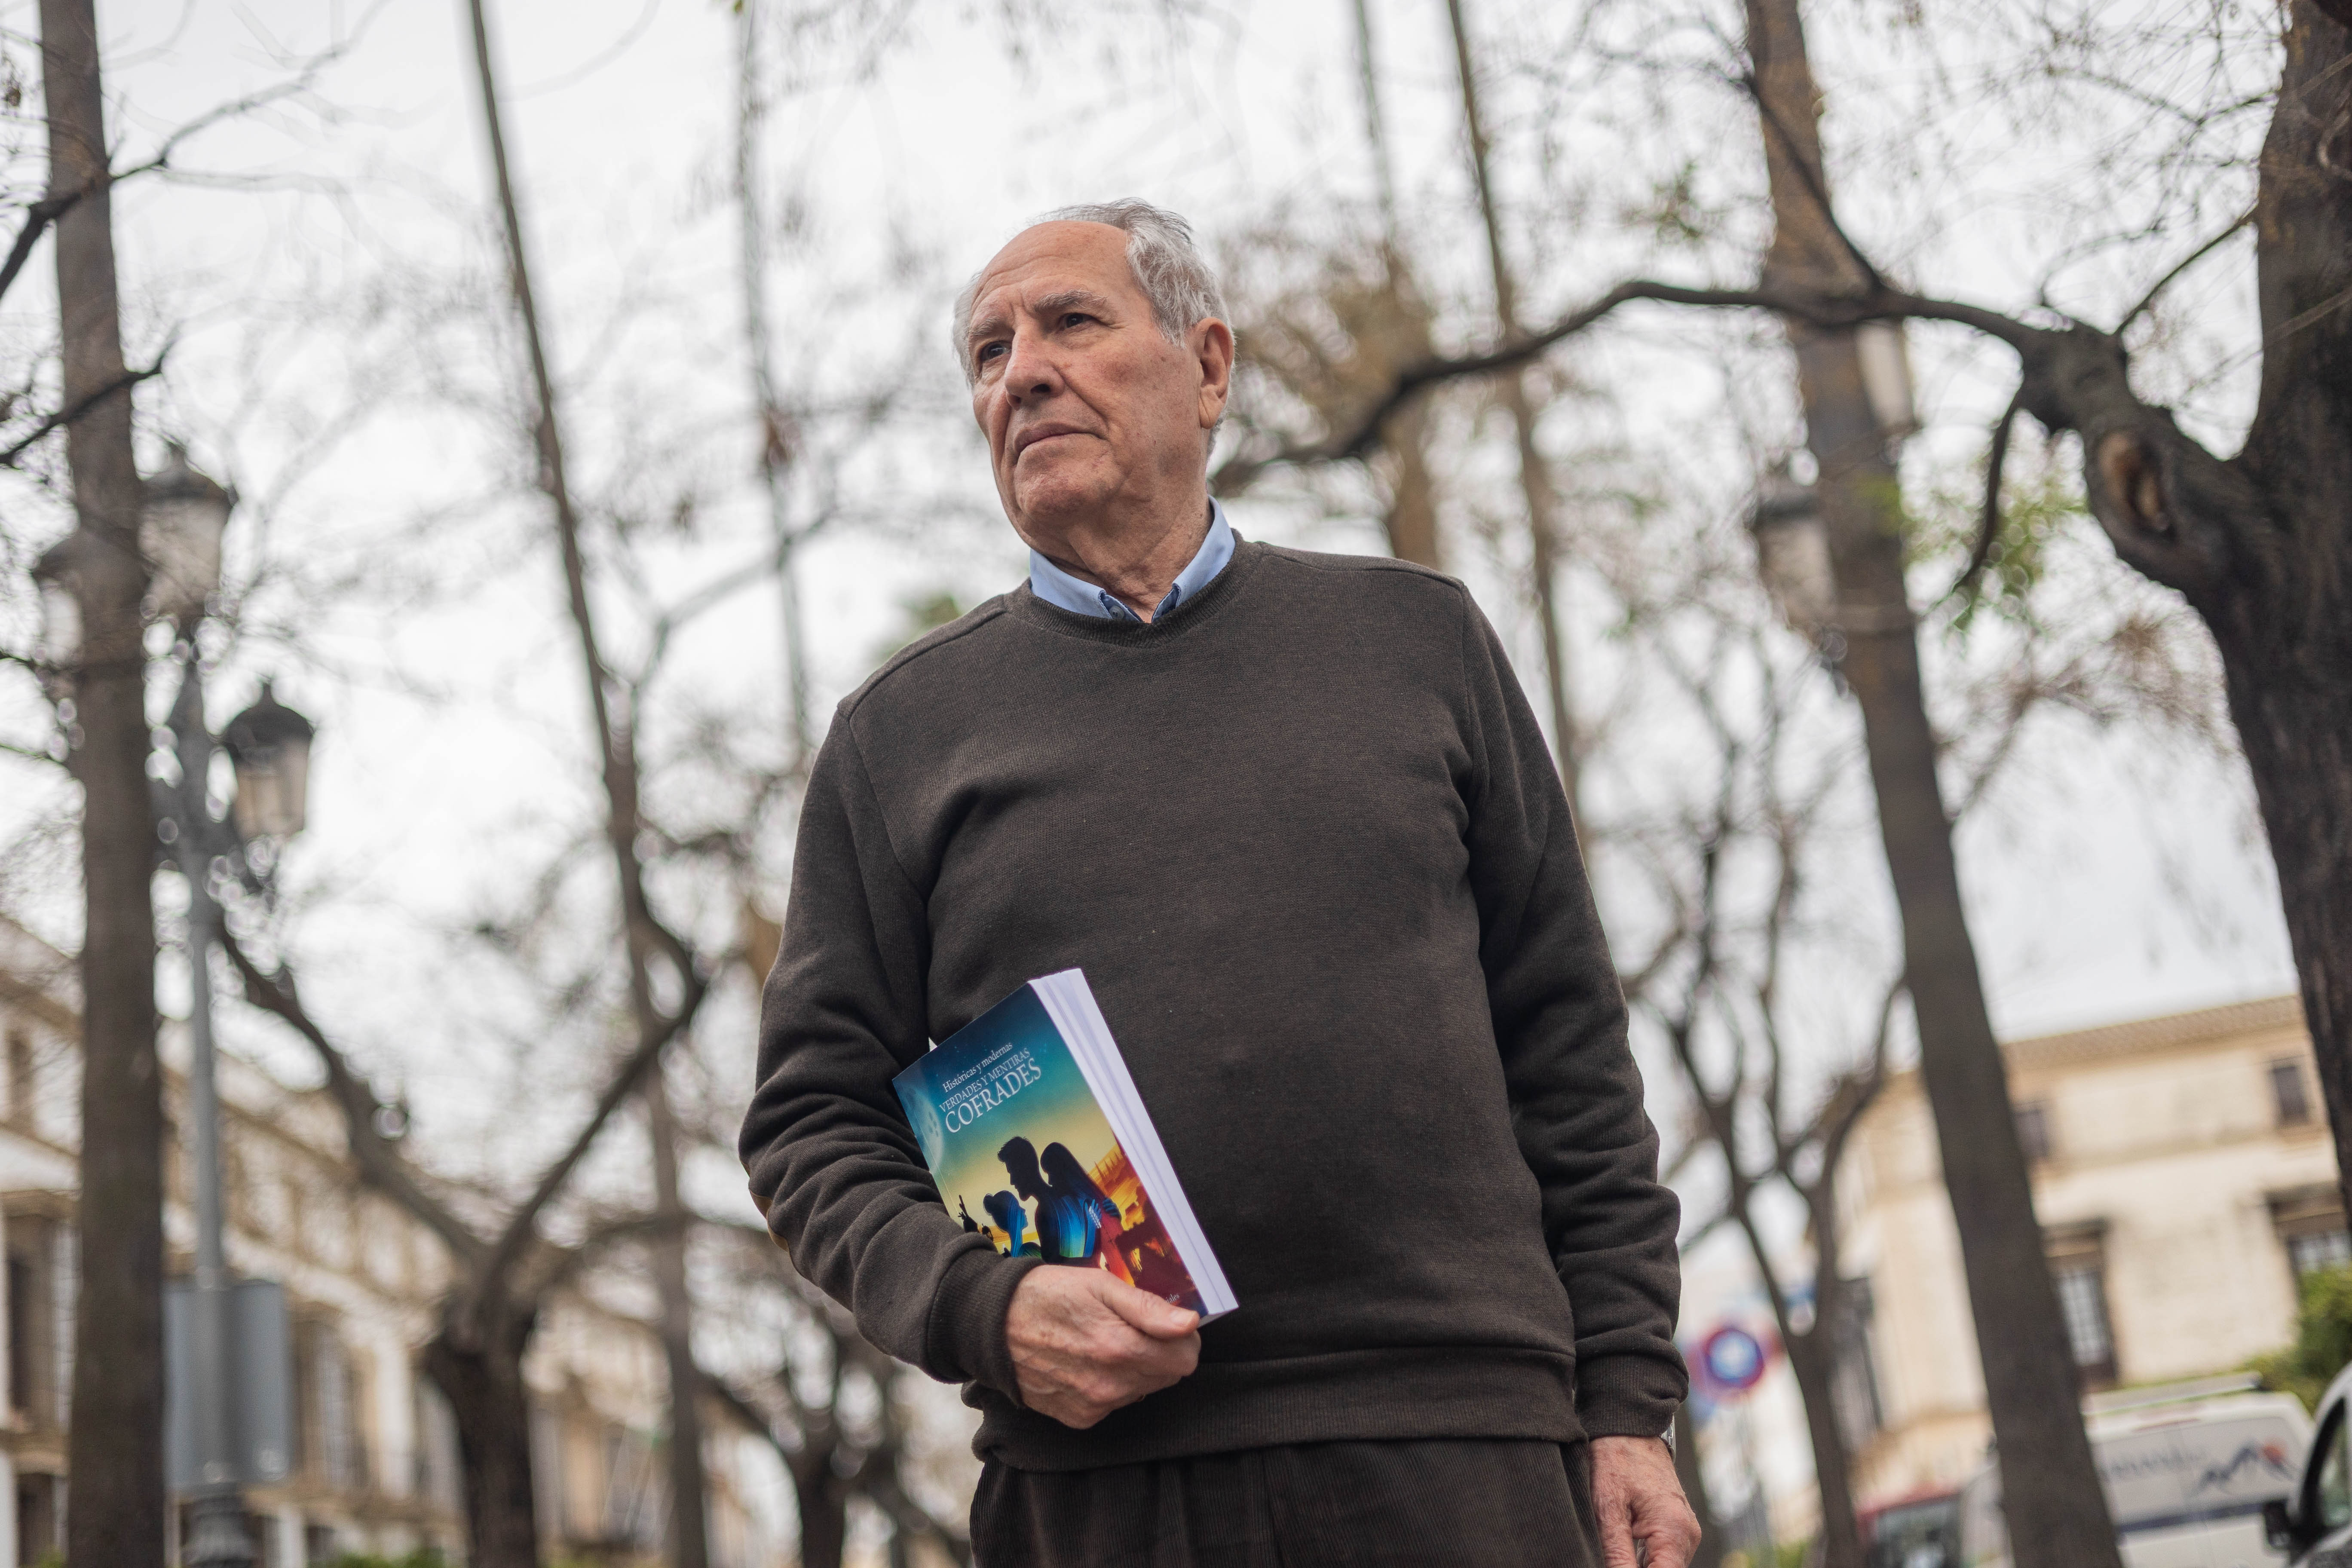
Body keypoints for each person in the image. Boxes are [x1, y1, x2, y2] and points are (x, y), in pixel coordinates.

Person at [741, 199, 1700, 1567]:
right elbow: (809, 1123)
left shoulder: (1421, 644)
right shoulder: (898, 735)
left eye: (1071, 322)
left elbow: (1572, 1058)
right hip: (1106, 1490)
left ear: (1207, 367)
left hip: (1466, 1449)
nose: (1021, 372)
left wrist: (1626, 1404)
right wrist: (984, 1307)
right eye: (988, 350)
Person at [1039, 1140, 1131, 1284]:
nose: (1050, 1181)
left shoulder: (1086, 1204)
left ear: (1061, 1170)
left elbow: (1098, 1254)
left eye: (1050, 1173)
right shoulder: (1084, 1204)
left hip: (1119, 1278)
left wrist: (1114, 1220)